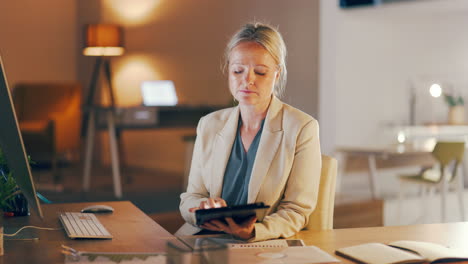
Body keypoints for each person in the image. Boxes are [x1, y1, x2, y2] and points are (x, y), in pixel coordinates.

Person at [176, 22, 321, 242]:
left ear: (277, 74)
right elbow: (191, 197)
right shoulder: (209, 124)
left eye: (260, 72)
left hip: (261, 243)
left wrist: (254, 231)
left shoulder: (302, 128)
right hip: (205, 238)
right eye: (238, 70)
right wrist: (201, 208)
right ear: (228, 71)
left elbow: (297, 210)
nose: (247, 79)